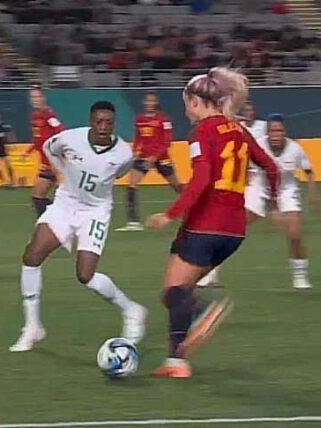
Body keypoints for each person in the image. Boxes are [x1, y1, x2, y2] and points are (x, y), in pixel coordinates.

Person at [146, 68, 279, 378]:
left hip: (205, 225)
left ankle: (203, 311)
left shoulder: (201, 133)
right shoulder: (240, 130)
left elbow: (202, 178)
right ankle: (176, 363)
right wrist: (272, 202)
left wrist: (170, 213)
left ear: (196, 102)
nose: (186, 112)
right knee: (181, 293)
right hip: (234, 231)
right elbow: (271, 167)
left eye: (186, 105)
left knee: (172, 293)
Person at [9, 101, 147, 353]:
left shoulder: (123, 153)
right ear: (91, 121)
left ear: (114, 124)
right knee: (31, 256)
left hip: (95, 212)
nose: (103, 127)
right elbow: (49, 148)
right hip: (65, 203)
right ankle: (32, 326)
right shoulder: (70, 138)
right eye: (99, 122)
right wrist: (62, 171)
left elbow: (119, 173)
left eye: (108, 123)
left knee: (85, 275)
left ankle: (131, 310)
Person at [200, 113, 320, 290]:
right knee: (233, 228)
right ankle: (211, 272)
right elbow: (241, 162)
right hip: (259, 187)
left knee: (294, 234)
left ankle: (300, 276)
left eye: (279, 131)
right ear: (267, 132)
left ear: (285, 131)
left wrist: (312, 195)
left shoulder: (295, 149)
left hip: (286, 190)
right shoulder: (257, 145)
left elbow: (309, 171)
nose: (276, 135)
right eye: (272, 131)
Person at [197, 102, 266, 287]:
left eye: (250, 110)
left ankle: (210, 270)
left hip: (261, 185)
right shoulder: (237, 129)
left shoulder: (264, 128)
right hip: (252, 186)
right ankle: (211, 272)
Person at [116, 90, 182, 232]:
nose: (149, 103)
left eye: (152, 101)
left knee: (177, 186)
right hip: (144, 157)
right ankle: (133, 222)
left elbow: (167, 141)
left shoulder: (163, 120)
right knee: (131, 185)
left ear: (156, 103)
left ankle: (190, 210)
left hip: (161, 158)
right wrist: (134, 152)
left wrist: (154, 157)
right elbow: (138, 138)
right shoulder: (139, 119)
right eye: (147, 101)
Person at [24, 87, 65, 217]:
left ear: (43, 98)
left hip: (53, 163)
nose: (34, 100)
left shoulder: (48, 115)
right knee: (38, 198)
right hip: (46, 163)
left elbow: (60, 131)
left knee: (38, 198)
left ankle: (53, 220)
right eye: (32, 97)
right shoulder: (34, 116)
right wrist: (28, 151)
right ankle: (57, 218)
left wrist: (56, 158)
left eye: (37, 97)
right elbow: (38, 138)